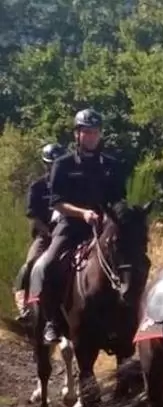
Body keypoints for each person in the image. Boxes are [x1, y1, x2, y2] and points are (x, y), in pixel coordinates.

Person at [33, 108, 127, 344]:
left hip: (105, 227)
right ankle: (52, 321)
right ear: (77, 134)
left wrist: (115, 217)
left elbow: (119, 199)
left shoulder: (112, 165)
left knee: (131, 261)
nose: (91, 137)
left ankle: (127, 320)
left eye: (95, 132)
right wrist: (83, 213)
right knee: (46, 265)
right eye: (86, 132)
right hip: (71, 226)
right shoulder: (63, 164)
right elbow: (57, 201)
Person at [13, 143, 67, 322]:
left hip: (67, 232)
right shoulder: (37, 187)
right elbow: (33, 216)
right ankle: (24, 304)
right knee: (30, 264)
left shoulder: (70, 185)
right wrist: (48, 232)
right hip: (45, 235)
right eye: (52, 164)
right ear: (46, 165)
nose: (55, 168)